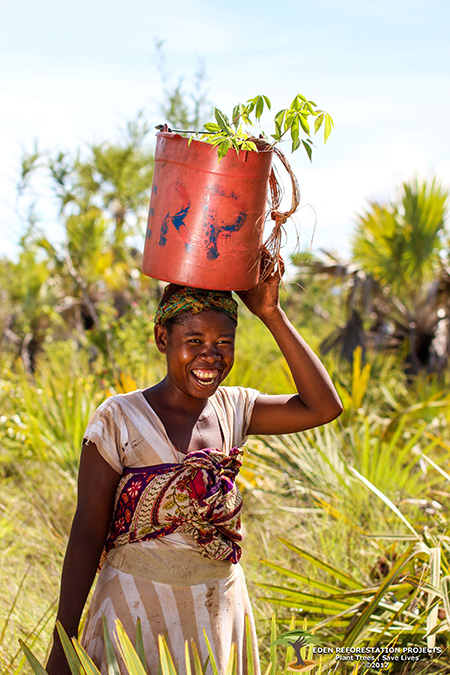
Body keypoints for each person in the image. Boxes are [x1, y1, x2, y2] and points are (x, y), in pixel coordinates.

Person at [46, 268, 342, 675]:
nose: (211, 355)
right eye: (194, 341)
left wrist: (271, 314)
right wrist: (64, 641)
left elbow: (324, 407)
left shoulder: (234, 407)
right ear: (162, 339)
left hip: (217, 614)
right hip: (135, 613)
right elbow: (87, 533)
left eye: (224, 342)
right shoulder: (119, 418)